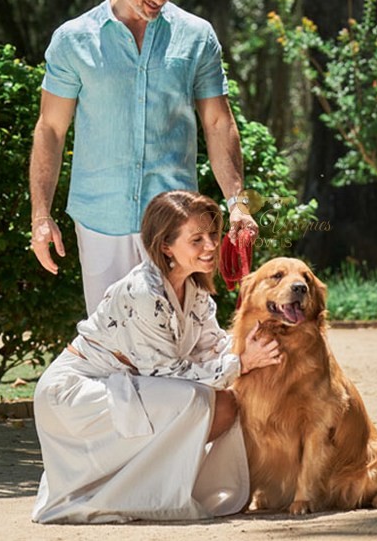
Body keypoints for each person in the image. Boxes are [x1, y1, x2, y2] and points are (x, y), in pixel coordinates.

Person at [29, 0, 257, 315]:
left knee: (182, 341)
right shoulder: (74, 39)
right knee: (115, 346)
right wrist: (40, 215)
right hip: (100, 216)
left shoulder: (197, 37)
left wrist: (238, 202)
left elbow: (219, 122)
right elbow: (50, 128)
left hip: (176, 223)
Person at [31, 190, 281, 524]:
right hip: (75, 394)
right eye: (196, 239)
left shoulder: (195, 291)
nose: (210, 246)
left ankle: (146, 492)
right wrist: (244, 362)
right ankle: (134, 495)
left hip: (124, 385)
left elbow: (212, 345)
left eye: (213, 235)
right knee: (198, 400)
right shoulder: (144, 292)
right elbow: (169, 373)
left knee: (225, 403)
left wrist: (254, 341)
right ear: (166, 245)